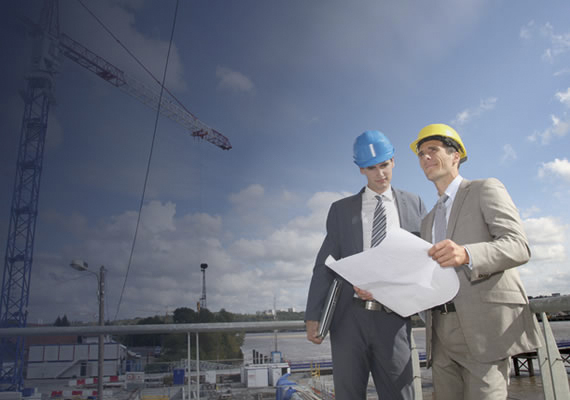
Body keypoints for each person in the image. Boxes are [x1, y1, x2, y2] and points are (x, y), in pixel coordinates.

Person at [409, 123, 541, 400]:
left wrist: (468, 254)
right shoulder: (427, 220)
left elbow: (518, 245)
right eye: (420, 154)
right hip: (440, 332)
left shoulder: (485, 189)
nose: (425, 158)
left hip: (483, 330)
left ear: (456, 155)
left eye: (432, 150)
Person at [305, 130, 426, 400]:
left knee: (400, 395)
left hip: (394, 318)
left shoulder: (414, 204)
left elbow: (424, 260)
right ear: (361, 169)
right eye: (372, 168)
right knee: (348, 394)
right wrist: (313, 314)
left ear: (394, 161)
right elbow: (324, 265)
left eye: (384, 165)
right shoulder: (341, 210)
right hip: (349, 319)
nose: (380, 174)